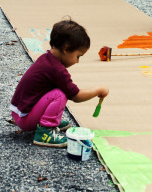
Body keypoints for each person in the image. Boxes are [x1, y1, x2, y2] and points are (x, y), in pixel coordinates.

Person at [10, 19, 109, 147]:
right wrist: (98, 90)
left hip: (18, 112)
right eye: (78, 56)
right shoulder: (57, 70)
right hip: (25, 119)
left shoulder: (46, 58)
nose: (77, 61)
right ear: (66, 49)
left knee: (58, 91)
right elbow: (76, 96)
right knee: (60, 94)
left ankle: (47, 122)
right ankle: (45, 132)